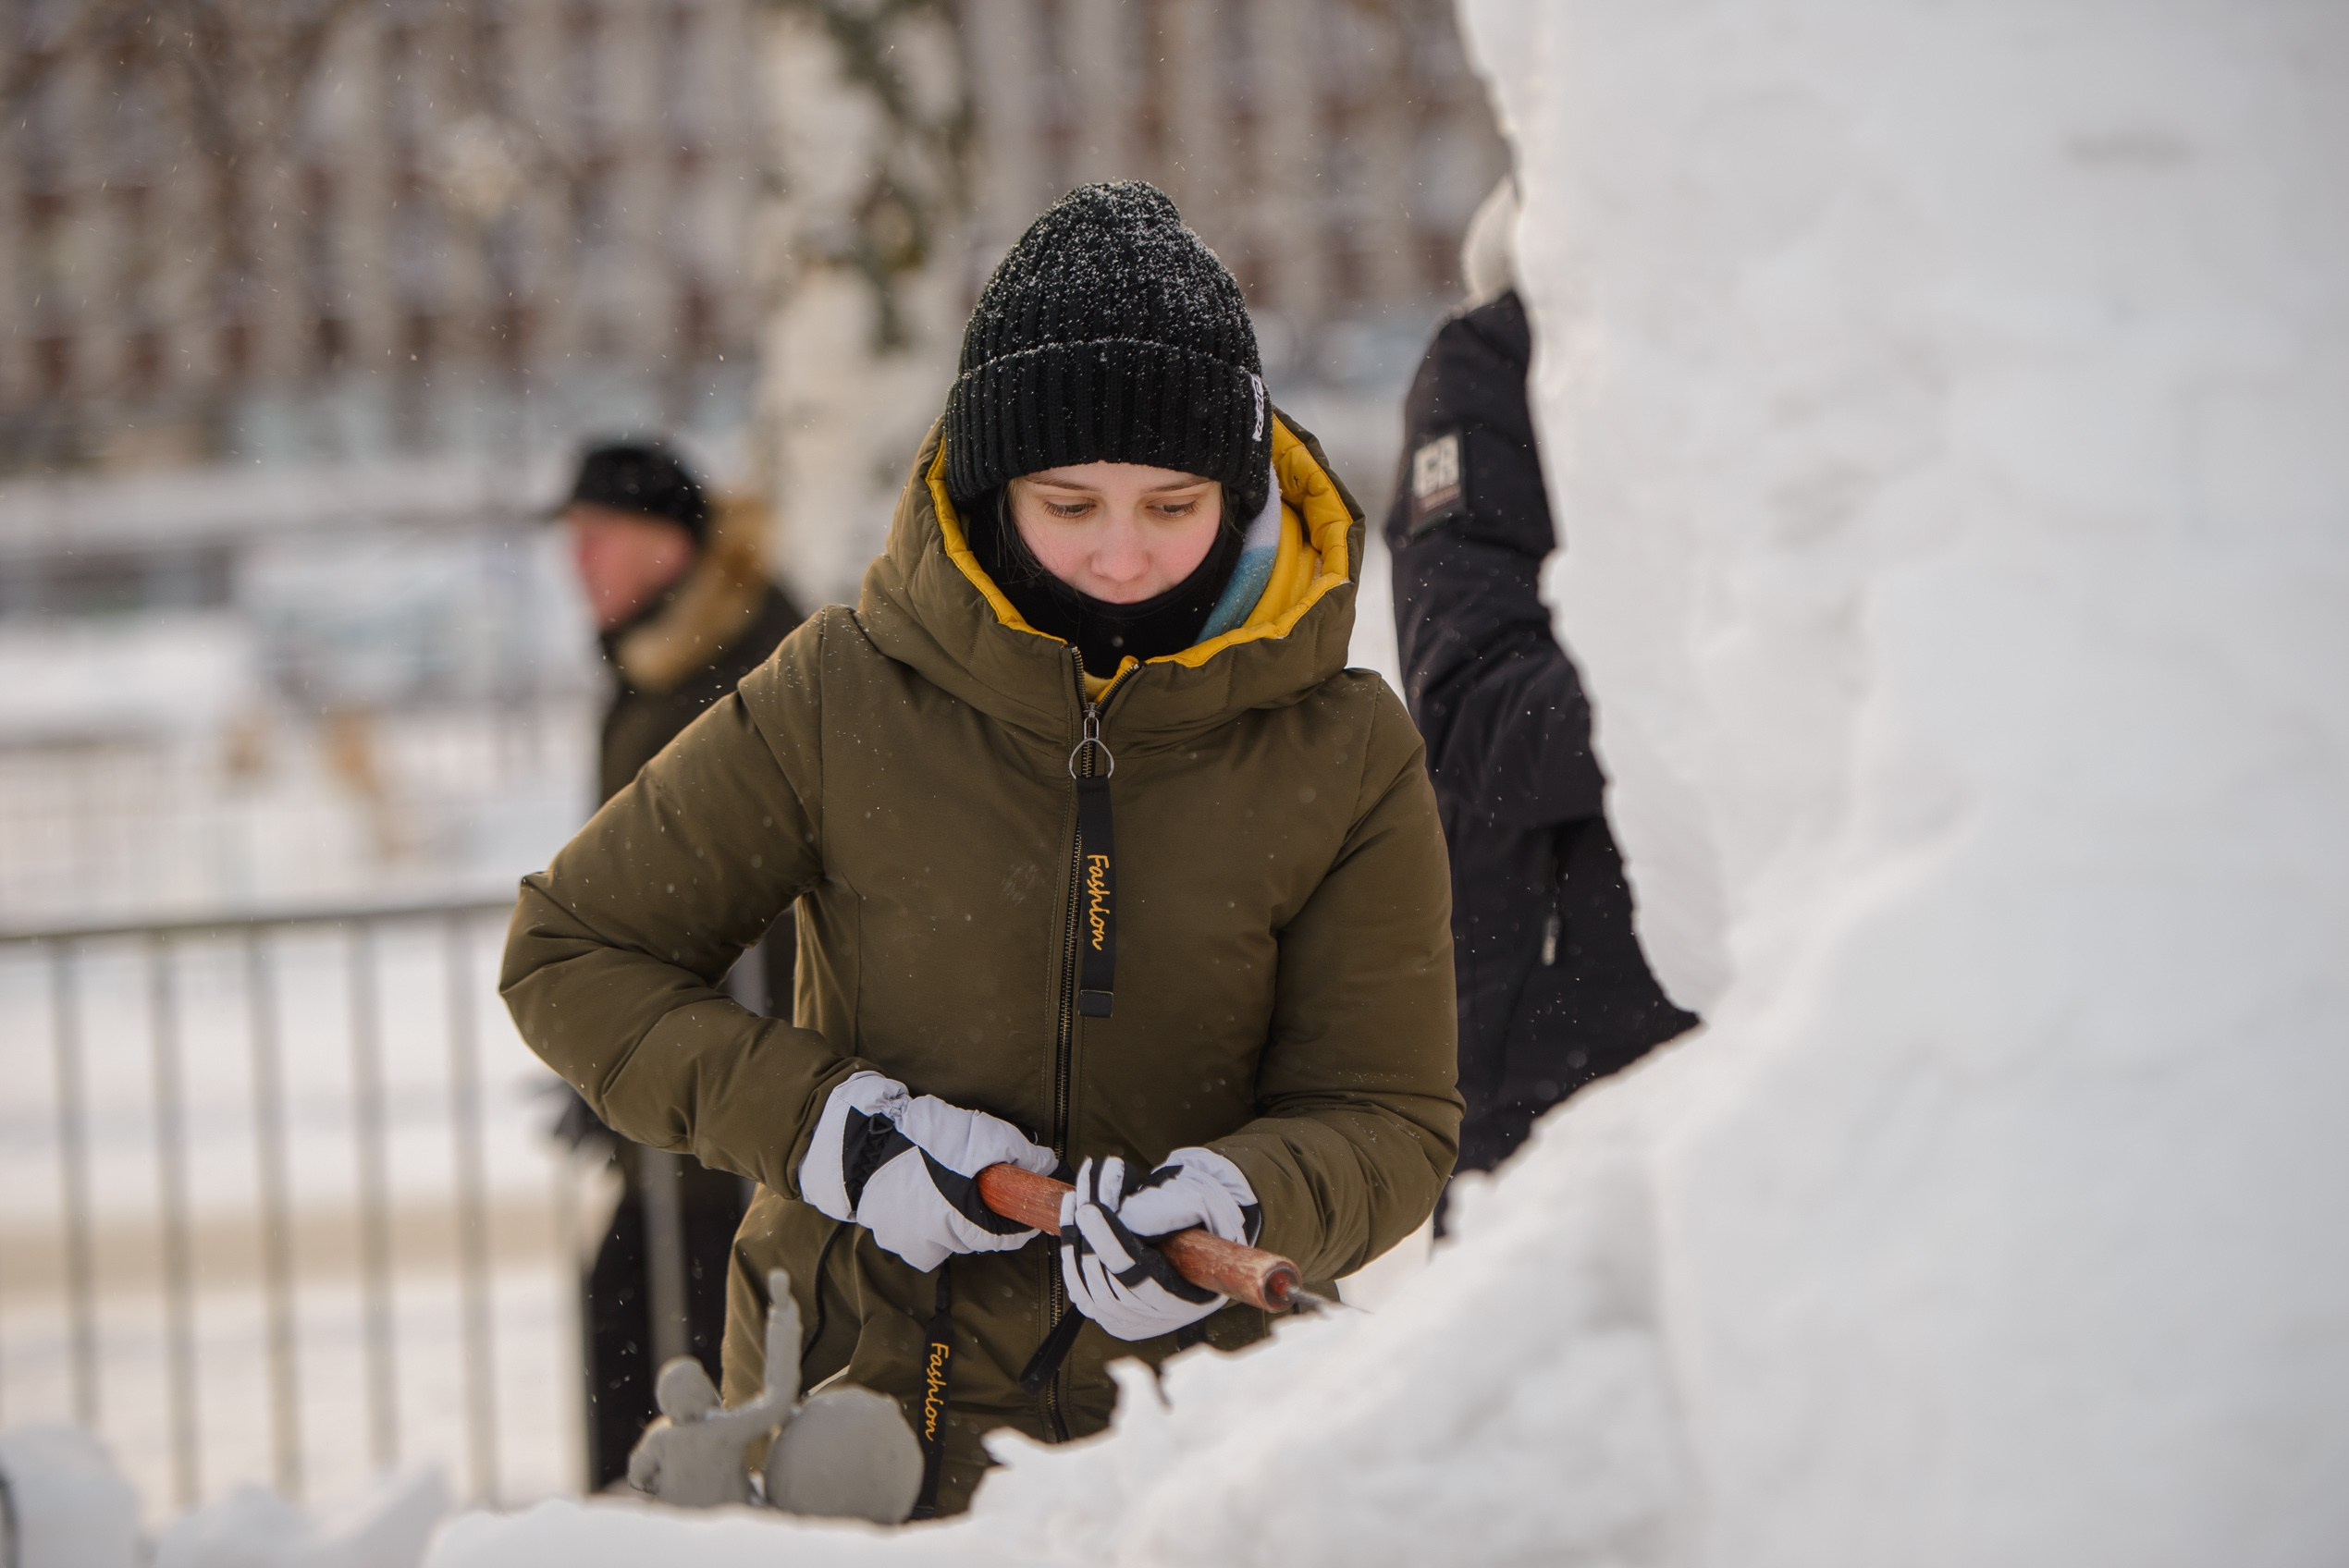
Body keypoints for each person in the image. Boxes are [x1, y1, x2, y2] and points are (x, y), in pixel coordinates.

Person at [503, 182, 1460, 1517]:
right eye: (1070, 505)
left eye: (1172, 504)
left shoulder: (1344, 748)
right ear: (991, 482)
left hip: (1199, 1455)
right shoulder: (841, 692)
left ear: (1238, 491)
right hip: (859, 1429)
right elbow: (573, 951)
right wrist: (841, 1134)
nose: (1122, 557)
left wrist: (1245, 1199)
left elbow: (1392, 1116)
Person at [1386, 179, 1698, 1191]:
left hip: (1767, 1022)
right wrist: (1727, 699)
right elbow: (1475, 706)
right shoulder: (1498, 364)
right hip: (1555, 1056)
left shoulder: (1793, 353)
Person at [550, 437, 807, 1488]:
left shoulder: (750, 667)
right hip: (677, 1106)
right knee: (644, 1345)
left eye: (596, 538)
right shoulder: (646, 664)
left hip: (740, 1113)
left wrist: (660, 1056)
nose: (579, 565)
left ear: (667, 544)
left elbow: (762, 907)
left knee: (680, 1367)